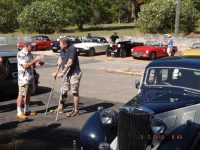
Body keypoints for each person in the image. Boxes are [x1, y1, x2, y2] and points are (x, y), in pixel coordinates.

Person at [52, 37, 82, 117]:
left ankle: (76, 110)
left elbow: (70, 62)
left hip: (74, 73)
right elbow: (60, 60)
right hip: (66, 73)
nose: (59, 45)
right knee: (63, 90)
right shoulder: (62, 50)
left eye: (60, 44)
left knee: (74, 91)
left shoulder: (72, 49)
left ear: (65, 44)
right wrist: (56, 71)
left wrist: (63, 72)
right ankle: (60, 108)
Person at [16, 41, 44, 119]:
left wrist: (38, 64)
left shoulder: (30, 54)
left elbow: (31, 65)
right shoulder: (21, 54)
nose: (33, 47)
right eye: (32, 46)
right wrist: (36, 60)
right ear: (27, 46)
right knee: (21, 94)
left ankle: (27, 111)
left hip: (30, 78)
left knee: (28, 94)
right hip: (23, 78)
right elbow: (25, 66)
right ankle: (19, 112)